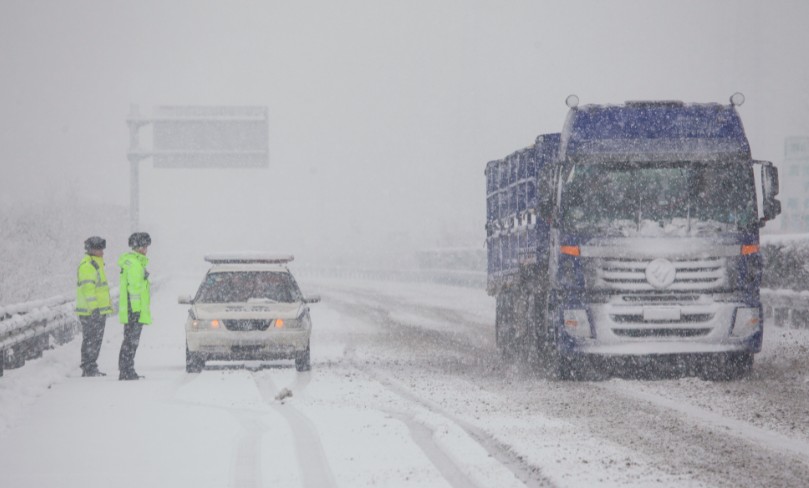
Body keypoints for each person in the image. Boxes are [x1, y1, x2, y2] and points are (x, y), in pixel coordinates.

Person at [75, 236, 113, 377]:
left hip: (96, 311)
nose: (102, 252)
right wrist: (94, 308)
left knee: (95, 340)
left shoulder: (96, 264)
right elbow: (88, 290)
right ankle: (88, 367)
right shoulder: (88, 266)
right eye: (99, 249)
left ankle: (91, 366)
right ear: (91, 250)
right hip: (90, 311)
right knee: (91, 339)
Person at [117, 232, 152, 381]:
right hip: (134, 310)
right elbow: (134, 289)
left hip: (133, 309)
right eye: (145, 246)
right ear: (139, 247)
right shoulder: (135, 265)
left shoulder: (133, 262)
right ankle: (127, 370)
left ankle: (126, 369)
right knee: (131, 342)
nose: (147, 249)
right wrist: (136, 310)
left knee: (129, 341)